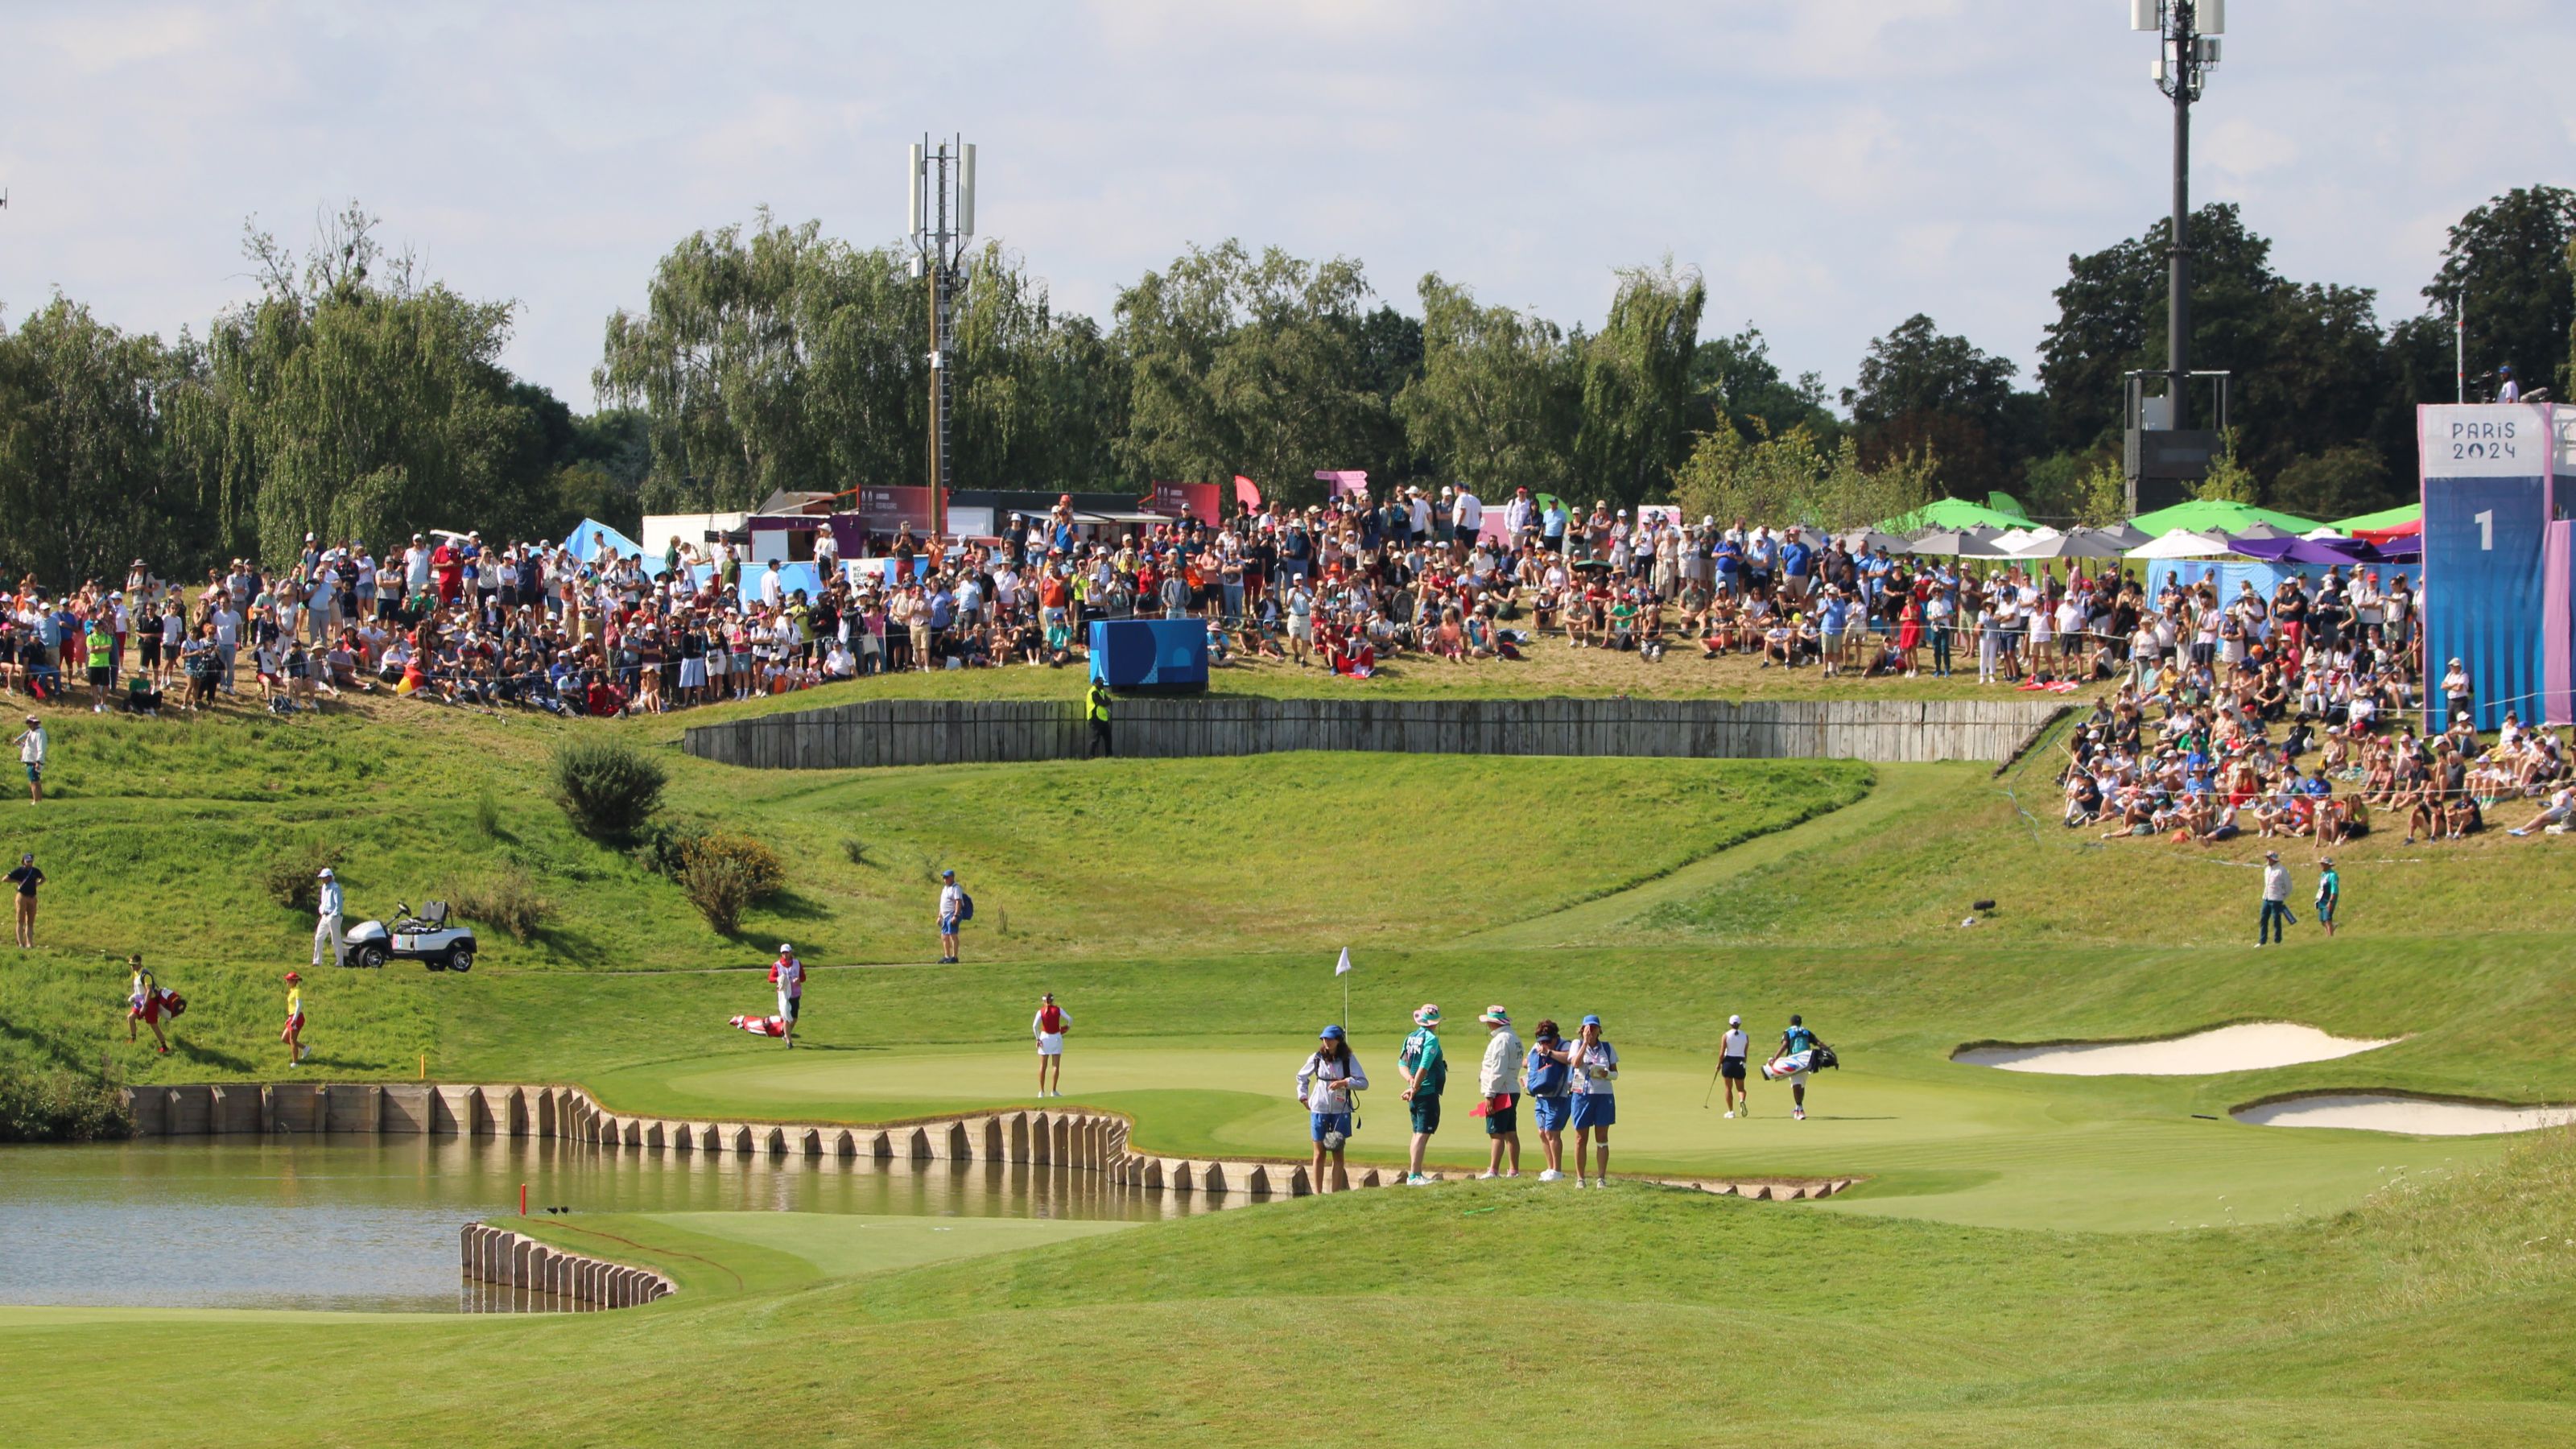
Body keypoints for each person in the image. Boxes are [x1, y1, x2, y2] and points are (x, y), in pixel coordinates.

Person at [1295, 1024, 1368, 1192]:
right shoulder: (1317, 1058)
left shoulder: (1348, 1058)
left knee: (1337, 1152)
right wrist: (1303, 1096)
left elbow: (1364, 1083)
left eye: (1329, 1038)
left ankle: (1335, 1193)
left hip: (1340, 1110)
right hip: (1319, 1108)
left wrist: (1345, 1082)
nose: (1326, 1041)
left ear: (1338, 1040)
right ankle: (1318, 1193)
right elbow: (1302, 1077)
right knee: (1319, 1152)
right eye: (1323, 1038)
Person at [1397, 1003, 1446, 1186]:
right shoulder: (1431, 1039)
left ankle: (1414, 1173)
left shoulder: (1411, 1037)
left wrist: (1410, 1081)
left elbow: (1402, 1064)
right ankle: (1415, 1175)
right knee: (1423, 1133)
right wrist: (1414, 1087)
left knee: (1417, 1132)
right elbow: (1424, 1066)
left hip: (1416, 1092)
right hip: (1426, 1092)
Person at [1567, 1013, 1618, 1185]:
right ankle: (1580, 1179)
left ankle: (1601, 1178)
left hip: (1603, 1096)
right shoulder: (1576, 1044)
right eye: (1588, 1028)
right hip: (1582, 1095)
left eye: (1594, 1027)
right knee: (1581, 1137)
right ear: (1582, 1029)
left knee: (1602, 1137)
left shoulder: (1607, 1048)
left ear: (1599, 1030)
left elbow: (1615, 1074)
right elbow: (1575, 1063)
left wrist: (1607, 1074)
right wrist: (1585, 1043)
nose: (1591, 1030)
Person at [1522, 1020, 1574, 1181]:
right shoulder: (1537, 1046)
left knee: (1552, 1133)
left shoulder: (1565, 1045)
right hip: (1541, 1097)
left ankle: (1557, 1170)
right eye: (1541, 1041)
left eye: (1547, 1041)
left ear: (1555, 1037)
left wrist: (1549, 1053)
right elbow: (1526, 1062)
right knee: (1542, 1133)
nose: (1544, 1044)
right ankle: (1550, 1168)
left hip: (1559, 1097)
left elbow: (1569, 1058)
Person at [1475, 1005, 1522, 1179]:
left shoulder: (1502, 1040)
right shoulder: (1513, 1037)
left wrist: (1490, 1094)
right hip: (1510, 1089)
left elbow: (1498, 1070)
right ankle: (1513, 1170)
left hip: (1501, 1091)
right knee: (1510, 1131)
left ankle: (1494, 1170)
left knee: (1496, 1132)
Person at [1768, 1013, 1820, 1121]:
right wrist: (1827, 1051)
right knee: (1801, 1085)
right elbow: (1818, 1042)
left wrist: (1775, 1058)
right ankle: (1798, 1107)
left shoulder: (1789, 1032)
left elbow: (1784, 1045)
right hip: (1807, 1061)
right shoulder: (1806, 1031)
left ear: (1791, 1022)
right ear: (1800, 1022)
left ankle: (1800, 1110)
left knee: (1796, 1084)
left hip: (1794, 1061)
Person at [126, 953, 172, 1055]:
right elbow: (139, 989)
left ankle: (164, 1047)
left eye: (134, 965)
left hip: (149, 1002)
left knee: (153, 1025)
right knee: (130, 1018)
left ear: (139, 963)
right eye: (131, 965)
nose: (132, 967)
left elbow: (149, 991)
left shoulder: (145, 975)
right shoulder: (135, 973)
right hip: (139, 1001)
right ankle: (133, 1039)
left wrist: (145, 1006)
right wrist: (134, 996)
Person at [1033, 991, 1070, 1097]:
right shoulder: (1058, 1010)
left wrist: (1037, 1039)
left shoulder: (1041, 1011)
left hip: (1044, 1038)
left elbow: (1035, 1026)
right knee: (1055, 1066)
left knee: (1043, 1066)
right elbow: (1070, 1019)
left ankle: (1041, 1092)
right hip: (1056, 1038)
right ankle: (1053, 1091)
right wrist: (1067, 1027)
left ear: (1043, 1001)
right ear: (1052, 1000)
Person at [769, 943, 804, 1049]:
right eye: (783, 953)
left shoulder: (797, 963)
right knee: (786, 1018)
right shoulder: (777, 965)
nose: (785, 955)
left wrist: (799, 980)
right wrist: (779, 979)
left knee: (794, 1018)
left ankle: (785, 1033)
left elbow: (803, 977)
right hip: (784, 995)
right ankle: (789, 1041)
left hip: (795, 994)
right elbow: (770, 978)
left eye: (786, 952)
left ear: (790, 952)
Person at [1719, 1013, 1752, 1118]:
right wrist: (1744, 1063)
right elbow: (1745, 1052)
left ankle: (1731, 1111)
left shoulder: (1726, 1035)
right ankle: (1742, 1100)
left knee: (1728, 1088)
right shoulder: (1745, 1036)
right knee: (1741, 1089)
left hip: (1728, 1062)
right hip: (1740, 1062)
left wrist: (1719, 1064)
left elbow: (1722, 1052)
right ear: (1740, 1024)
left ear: (1730, 1024)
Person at [2258, 849, 2293, 947]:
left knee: (2276, 920)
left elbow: (2289, 886)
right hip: (2266, 898)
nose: (2268, 860)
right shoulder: (2267, 869)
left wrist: (2282, 896)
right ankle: (2262, 941)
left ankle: (2277, 940)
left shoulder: (2282, 870)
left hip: (2276, 899)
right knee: (2263, 919)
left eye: (2269, 858)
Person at [5, 852, 39, 949]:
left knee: (30, 921)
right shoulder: (19, 871)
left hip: (32, 897)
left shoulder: (36, 871)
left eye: (31, 861)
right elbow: (5, 879)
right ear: (23, 862)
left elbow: (43, 879)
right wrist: (16, 881)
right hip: (22, 896)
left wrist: (38, 884)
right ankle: (20, 943)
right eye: (27, 861)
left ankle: (29, 943)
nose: (29, 863)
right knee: (20, 920)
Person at [312, 866, 345, 968]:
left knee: (336, 940)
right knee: (318, 937)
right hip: (325, 916)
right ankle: (317, 961)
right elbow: (323, 902)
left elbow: (338, 905)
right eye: (322, 877)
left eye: (324, 877)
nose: (322, 879)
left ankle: (340, 962)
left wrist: (332, 916)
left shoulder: (335, 887)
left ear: (330, 877)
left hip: (333, 917)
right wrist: (321, 911)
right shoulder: (324, 887)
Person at [936, 869, 965, 964]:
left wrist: (956, 915)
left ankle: (955, 957)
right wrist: (940, 916)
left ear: (952, 878)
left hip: (952, 914)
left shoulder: (956, 888)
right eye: (944, 877)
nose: (945, 879)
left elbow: (958, 902)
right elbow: (942, 903)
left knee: (953, 935)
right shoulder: (945, 889)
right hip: (945, 916)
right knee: (944, 936)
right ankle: (947, 956)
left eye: (947, 877)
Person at [15, 715, 46, 803]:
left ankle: (36, 801)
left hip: (34, 761)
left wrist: (38, 761)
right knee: (35, 781)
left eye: (31, 723)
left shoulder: (40, 732)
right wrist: (19, 744)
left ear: (35, 723)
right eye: (28, 723)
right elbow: (28, 747)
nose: (29, 725)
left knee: (34, 782)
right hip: (29, 760)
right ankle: (39, 801)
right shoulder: (31, 733)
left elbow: (41, 748)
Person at [281, 970, 308, 1067]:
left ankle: (295, 1063)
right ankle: (305, 1048)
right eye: (287, 980)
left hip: (297, 1017)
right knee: (284, 1038)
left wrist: (294, 1019)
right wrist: (290, 1019)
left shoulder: (297, 991)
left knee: (292, 1040)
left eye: (289, 980)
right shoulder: (292, 991)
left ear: (294, 981)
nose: (287, 982)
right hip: (292, 1017)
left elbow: (299, 1005)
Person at [1085, 679, 1113, 758]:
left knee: (1108, 737)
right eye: (1100, 683)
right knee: (1095, 738)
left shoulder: (1101, 692)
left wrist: (1107, 701)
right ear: (1095, 683)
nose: (1102, 685)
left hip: (1102, 718)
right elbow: (1103, 703)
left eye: (1103, 683)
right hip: (1095, 718)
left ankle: (1109, 756)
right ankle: (1090, 756)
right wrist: (1106, 702)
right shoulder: (1093, 692)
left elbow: (1108, 701)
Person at [2314, 857, 2340, 938]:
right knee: (2322, 920)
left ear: (2328, 865)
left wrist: (2331, 901)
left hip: (2329, 899)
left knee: (2327, 919)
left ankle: (2330, 937)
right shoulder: (2323, 875)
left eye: (2323, 864)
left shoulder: (2333, 875)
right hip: (2322, 899)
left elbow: (2334, 889)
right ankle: (2332, 927)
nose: (2321, 866)